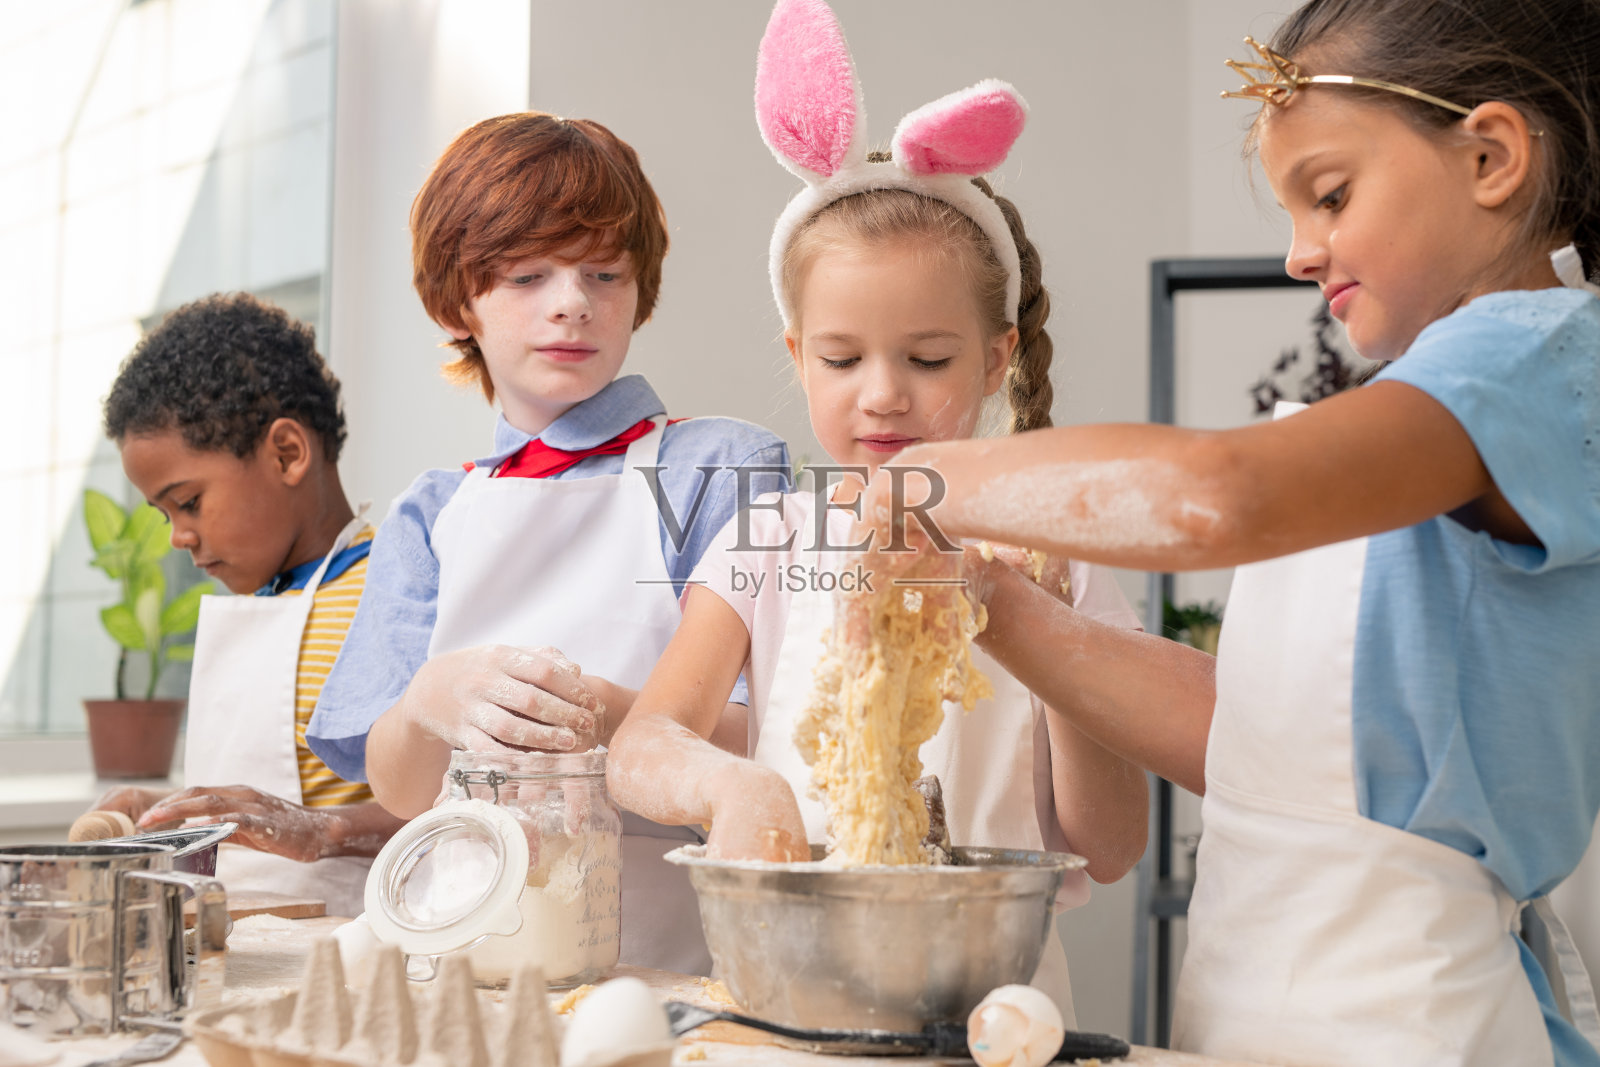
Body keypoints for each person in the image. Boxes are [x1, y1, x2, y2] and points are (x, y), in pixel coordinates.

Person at [852, 0, 1600, 1062]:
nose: (1300, 253)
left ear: (1490, 155)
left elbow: (1215, 497)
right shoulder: (1424, 408)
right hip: (1263, 1003)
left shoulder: (1537, 358)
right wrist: (989, 601)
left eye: (1330, 195)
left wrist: (922, 477)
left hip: (1407, 1017)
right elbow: (1255, 740)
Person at [606, 0, 1163, 1024]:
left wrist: (1052, 629)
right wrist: (731, 788)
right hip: (790, 1001)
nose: (882, 393)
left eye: (928, 358)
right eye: (841, 357)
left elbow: (1114, 844)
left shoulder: (1050, 547)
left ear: (996, 357)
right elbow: (642, 744)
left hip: (996, 1007)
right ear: (794, 356)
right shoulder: (765, 537)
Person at [306, 112, 790, 975]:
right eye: (527, 275)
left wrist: (594, 711)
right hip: (462, 951)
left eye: (604, 271)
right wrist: (428, 698)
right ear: (458, 303)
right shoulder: (433, 509)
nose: (572, 301)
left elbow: (775, 740)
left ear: (640, 290)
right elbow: (402, 787)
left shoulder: (719, 466)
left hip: (665, 959)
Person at [98, 292, 404, 919]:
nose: (179, 536)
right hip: (237, 945)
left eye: (188, 502)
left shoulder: (397, 588)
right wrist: (168, 810)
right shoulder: (254, 607)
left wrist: (319, 832)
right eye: (164, 514)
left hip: (361, 947)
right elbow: (261, 813)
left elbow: (467, 811)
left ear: (287, 453)